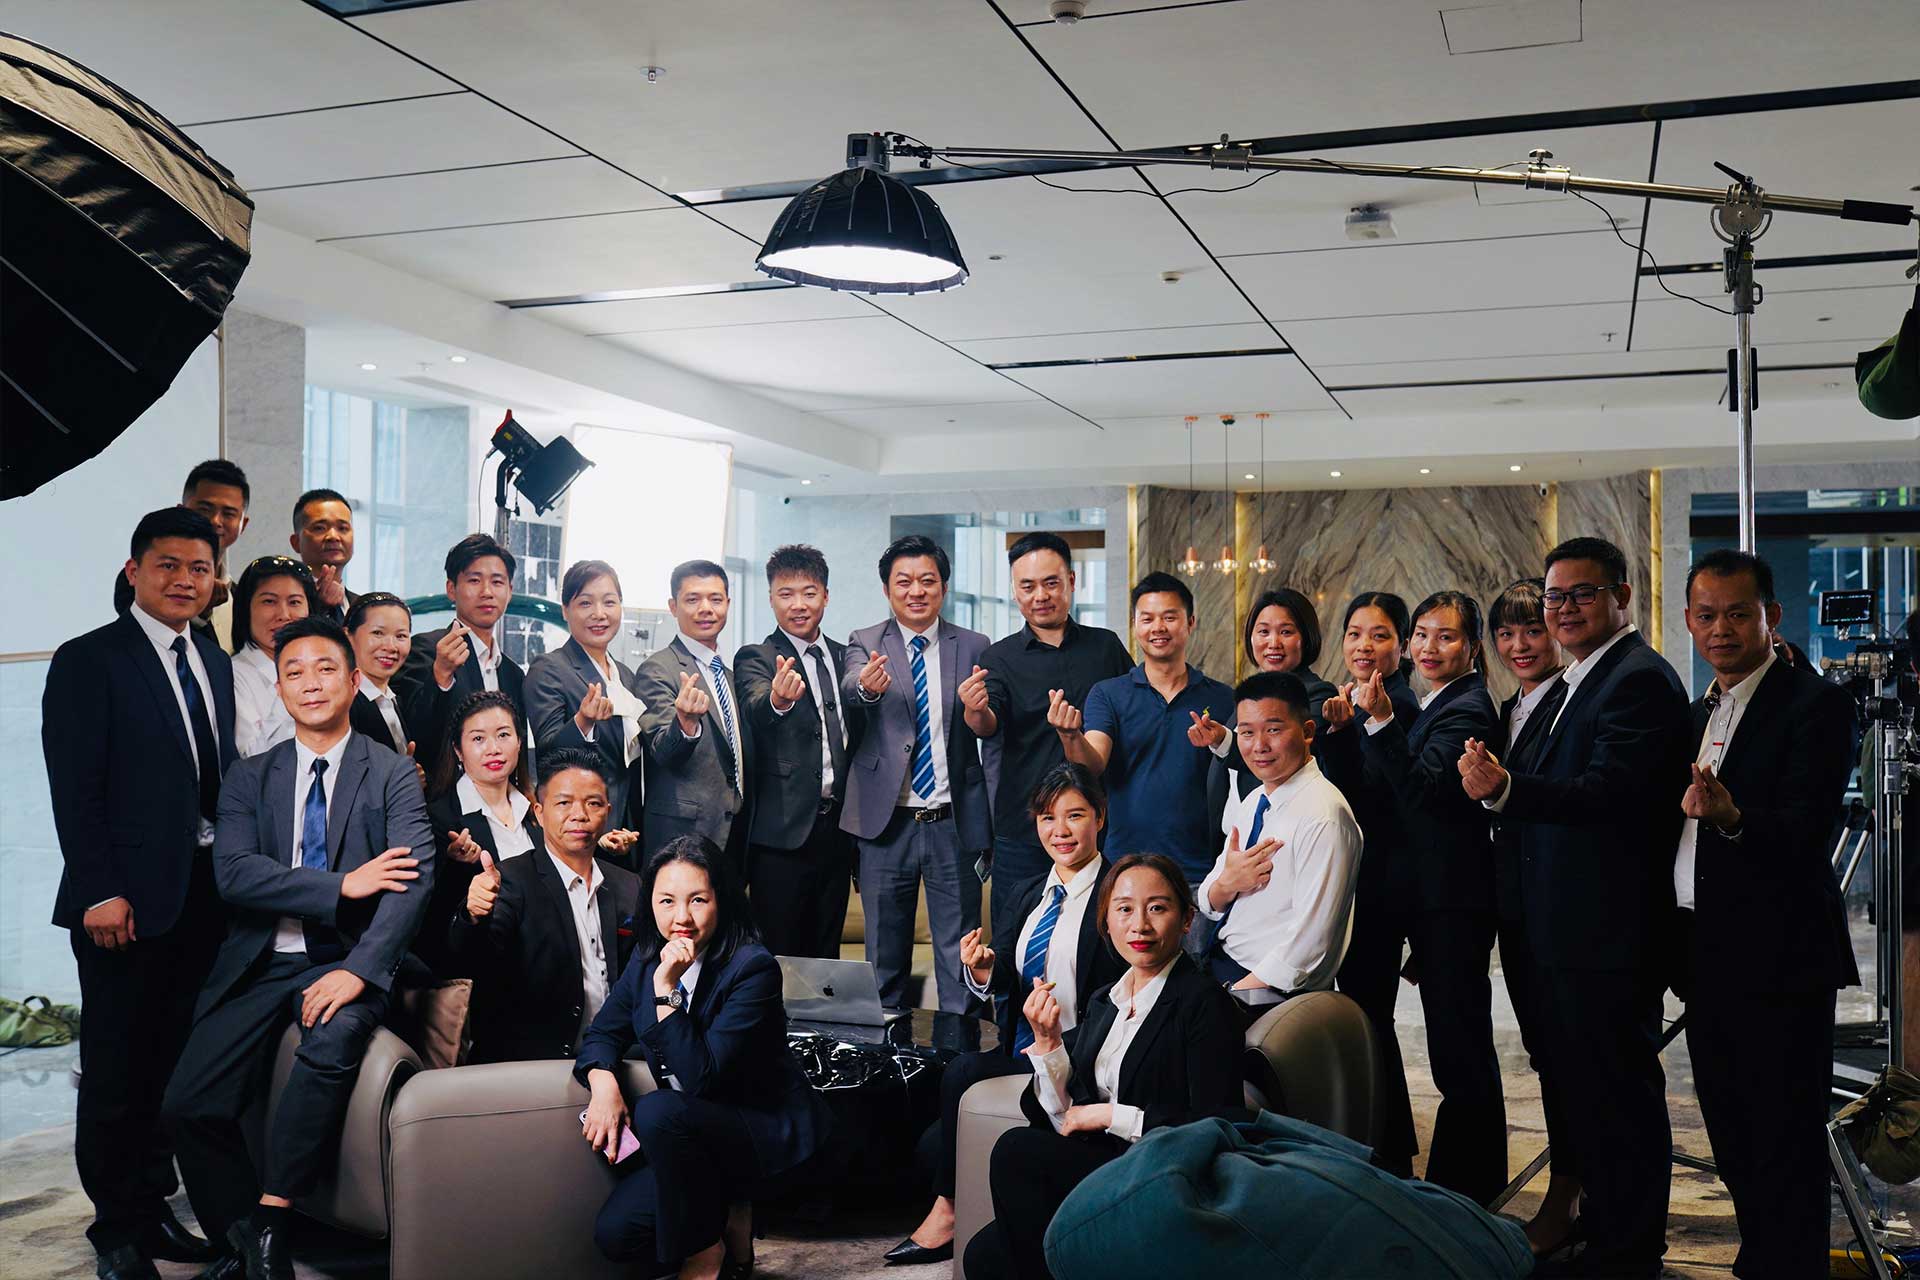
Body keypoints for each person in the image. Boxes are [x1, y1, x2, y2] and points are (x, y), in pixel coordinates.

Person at [162, 616, 435, 1280]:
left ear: (353, 680)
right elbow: (235, 874)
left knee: (328, 1048)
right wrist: (343, 884)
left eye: (325, 668)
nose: (311, 683)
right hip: (261, 960)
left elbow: (414, 879)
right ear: (280, 690)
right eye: (294, 673)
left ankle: (272, 1223)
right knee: (187, 1104)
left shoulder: (390, 772)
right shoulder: (249, 777)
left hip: (346, 956)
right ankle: (242, 1239)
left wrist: (360, 972)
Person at [1458, 536, 1691, 1278]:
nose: (1563, 610)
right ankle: (1603, 1231)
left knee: (1620, 1096)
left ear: (1621, 594)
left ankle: (1629, 1252)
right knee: (1588, 1092)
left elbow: (1612, 795)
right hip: (1561, 928)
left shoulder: (1637, 679)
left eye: (1580, 594)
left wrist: (1505, 790)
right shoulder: (1578, 681)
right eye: (1554, 596)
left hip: (1607, 932)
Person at [47, 508, 236, 1280]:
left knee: (171, 1069)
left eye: (199, 568)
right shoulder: (90, 659)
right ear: (134, 572)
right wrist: (99, 890)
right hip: (123, 904)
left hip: (203, 899)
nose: (185, 580)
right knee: (117, 1071)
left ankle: (154, 1207)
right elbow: (76, 788)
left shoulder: (213, 660)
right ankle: (117, 1229)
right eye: (168, 565)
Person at [1673, 549, 1858, 1280]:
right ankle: (1763, 1259)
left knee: (1785, 1137)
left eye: (1737, 614)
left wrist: (1733, 817)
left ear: (1770, 617)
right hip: (1707, 955)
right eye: (1707, 616)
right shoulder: (1700, 711)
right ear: (1689, 621)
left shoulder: (1814, 705)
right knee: (1732, 1131)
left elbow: (1808, 829)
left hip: (1781, 957)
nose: (1721, 629)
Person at [962, 853, 1246, 1280]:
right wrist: (1048, 1042)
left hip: (1157, 1173)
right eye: (1124, 909)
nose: (1140, 926)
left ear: (1187, 920)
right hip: (1102, 1161)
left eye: (1157, 908)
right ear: (1106, 922)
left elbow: (1221, 1124)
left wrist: (1113, 1115)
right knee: (983, 1255)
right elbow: (1057, 1115)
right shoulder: (1106, 1000)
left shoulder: (1205, 1003)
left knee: (1016, 1152)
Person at [887, 764, 1127, 1267]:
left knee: (962, 1072)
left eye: (1075, 815)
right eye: (1047, 818)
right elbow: (1007, 976)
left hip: (1080, 1057)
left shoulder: (1118, 894)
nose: (1060, 831)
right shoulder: (1026, 892)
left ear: (1100, 818)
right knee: (928, 1145)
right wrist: (981, 968)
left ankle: (948, 1212)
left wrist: (1058, 1039)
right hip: (1024, 1049)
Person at [577, 837, 828, 1280]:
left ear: (721, 901)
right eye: (667, 901)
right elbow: (601, 1034)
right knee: (616, 1234)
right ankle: (728, 1211)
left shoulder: (752, 968)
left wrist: (666, 991)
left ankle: (705, 1254)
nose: (681, 918)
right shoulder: (646, 959)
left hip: (757, 1130)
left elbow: (701, 1077)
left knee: (657, 1110)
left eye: (698, 900)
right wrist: (603, 1083)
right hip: (689, 1138)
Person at [1341, 591, 1506, 1204]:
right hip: (1425, 895)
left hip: (1451, 899)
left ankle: (1469, 1192)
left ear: (1472, 647)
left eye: (1447, 636)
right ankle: (1458, 1183)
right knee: (1453, 1048)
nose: (1430, 647)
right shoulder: (1439, 700)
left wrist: (1382, 722)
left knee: (1461, 1050)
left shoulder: (1468, 708)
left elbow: (1425, 792)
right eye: (1423, 635)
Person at [840, 535, 994, 1013]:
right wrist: (867, 688)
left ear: (943, 586)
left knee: (958, 955)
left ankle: (958, 1054)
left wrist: (979, 712)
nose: (916, 591)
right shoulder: (866, 641)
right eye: (903, 582)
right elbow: (851, 686)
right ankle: (884, 1055)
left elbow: (987, 724)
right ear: (887, 589)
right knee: (883, 960)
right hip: (887, 825)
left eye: (927, 580)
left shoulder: (974, 645)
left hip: (953, 821)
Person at [977, 533, 1132, 955]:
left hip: (1097, 828)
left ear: (1072, 582)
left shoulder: (1106, 647)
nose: (1040, 596)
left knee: (1099, 945)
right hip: (1024, 828)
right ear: (1014, 591)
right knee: (1012, 944)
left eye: (1051, 583)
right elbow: (987, 724)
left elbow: (1132, 713)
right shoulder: (999, 658)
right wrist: (975, 709)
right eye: (1027, 586)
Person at [449, 747, 643, 1063]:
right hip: (533, 1065)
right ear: (539, 813)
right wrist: (472, 915)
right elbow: (473, 963)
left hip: (615, 1058)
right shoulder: (511, 879)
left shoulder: (629, 885)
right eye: (564, 803)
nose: (579, 814)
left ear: (608, 811)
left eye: (593, 803)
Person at [1486, 577, 1576, 1252]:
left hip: (1561, 910)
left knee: (1572, 1062)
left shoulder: (1569, 702)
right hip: (1518, 911)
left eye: (1532, 630)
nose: (1520, 645)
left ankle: (1571, 1195)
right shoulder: (1507, 709)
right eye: (1507, 633)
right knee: (1547, 1055)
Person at [1050, 572, 1235, 885]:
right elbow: (1093, 763)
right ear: (1134, 625)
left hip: (1203, 870)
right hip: (1125, 866)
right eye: (1147, 618)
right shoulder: (1108, 694)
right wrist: (1070, 736)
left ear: (1190, 623)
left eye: (1169, 617)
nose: (1158, 627)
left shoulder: (1223, 698)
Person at [1196, 671, 1361, 1005]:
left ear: (1307, 732)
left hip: (1268, 992)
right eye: (1246, 732)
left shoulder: (1325, 816)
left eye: (1273, 730)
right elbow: (1208, 898)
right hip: (1222, 963)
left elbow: (1310, 945)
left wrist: (1234, 997)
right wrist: (1228, 883)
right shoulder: (1255, 800)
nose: (1259, 746)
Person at [734, 545, 862, 958]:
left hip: (839, 832)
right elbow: (756, 708)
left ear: (826, 595)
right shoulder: (757, 657)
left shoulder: (846, 656)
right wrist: (778, 700)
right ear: (771, 598)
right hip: (782, 837)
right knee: (779, 954)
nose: (798, 604)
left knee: (827, 954)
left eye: (809, 593)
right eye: (785, 594)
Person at [417, 690, 544, 974]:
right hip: (484, 970)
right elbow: (427, 922)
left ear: (519, 742)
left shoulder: (536, 811)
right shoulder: (439, 818)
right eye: (478, 739)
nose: (493, 749)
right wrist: (452, 865)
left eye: (503, 735)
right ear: (458, 750)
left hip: (545, 961)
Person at [635, 559, 751, 868]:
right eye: (692, 599)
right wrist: (685, 724)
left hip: (734, 831)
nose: (705, 609)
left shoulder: (729, 676)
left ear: (728, 604)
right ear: (673, 607)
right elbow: (661, 750)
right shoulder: (657, 669)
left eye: (715, 599)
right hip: (682, 835)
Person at [525, 559, 647, 836]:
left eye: (609, 602)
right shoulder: (549, 669)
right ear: (565, 610)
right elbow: (548, 753)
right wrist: (583, 721)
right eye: (585, 603)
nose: (599, 614)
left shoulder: (625, 676)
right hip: (579, 823)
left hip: (627, 824)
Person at [397, 533, 525, 780]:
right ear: (451, 589)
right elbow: (413, 731)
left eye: (497, 582)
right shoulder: (428, 648)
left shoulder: (513, 673)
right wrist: (440, 676)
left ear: (509, 591)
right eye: (474, 580)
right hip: (445, 796)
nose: (487, 592)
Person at [110, 459, 252, 650]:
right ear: (182, 511)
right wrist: (201, 612)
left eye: (228, 513)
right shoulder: (140, 580)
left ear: (243, 524)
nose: (215, 521)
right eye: (205, 509)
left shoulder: (239, 596)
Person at [229, 556, 319, 758]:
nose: (284, 615)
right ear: (245, 609)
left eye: (294, 602)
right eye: (269, 601)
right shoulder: (232, 674)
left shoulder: (323, 670)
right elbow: (251, 757)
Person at [344, 592, 415, 757]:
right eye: (378, 633)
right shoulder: (343, 704)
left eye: (401, 636)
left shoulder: (395, 699)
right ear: (348, 637)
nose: (390, 647)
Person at [289, 488, 357, 625]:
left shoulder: (363, 608)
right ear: (296, 542)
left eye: (343, 528)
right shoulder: (284, 605)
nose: (333, 536)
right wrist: (318, 607)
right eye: (320, 528)